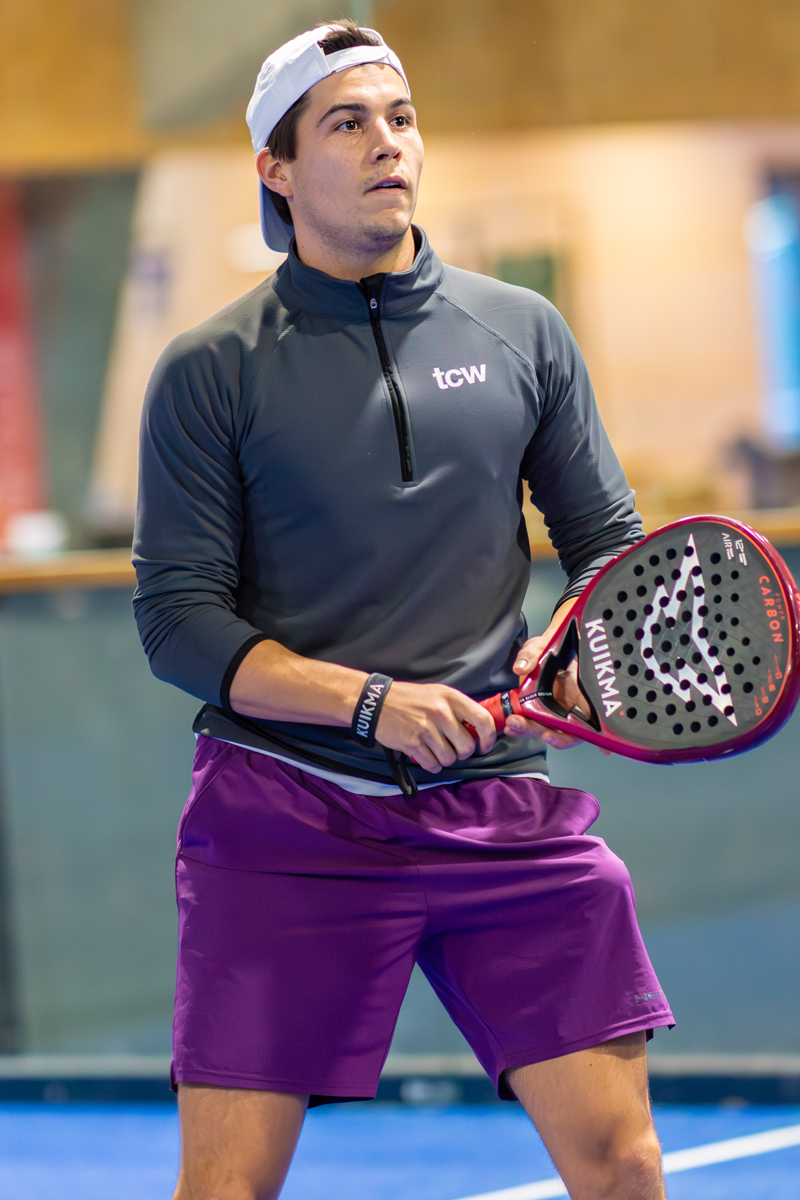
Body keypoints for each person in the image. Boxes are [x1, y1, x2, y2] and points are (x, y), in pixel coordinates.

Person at [133, 19, 673, 1200]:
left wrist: (585, 642)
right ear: (276, 170)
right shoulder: (208, 368)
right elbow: (179, 622)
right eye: (346, 122)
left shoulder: (522, 329)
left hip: (502, 804)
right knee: (224, 1191)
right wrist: (368, 704)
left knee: (623, 1165)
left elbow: (607, 550)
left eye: (400, 116)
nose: (387, 142)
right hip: (283, 820)